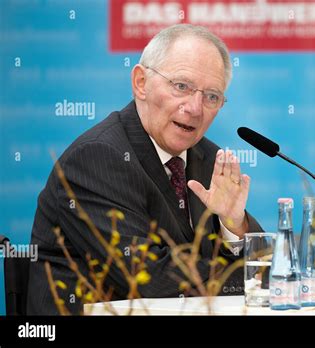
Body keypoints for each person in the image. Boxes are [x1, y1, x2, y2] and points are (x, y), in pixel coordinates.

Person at [28, 24, 263, 315]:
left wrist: (233, 225)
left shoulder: (208, 157)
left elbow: (263, 260)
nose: (195, 108)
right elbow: (151, 278)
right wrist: (251, 278)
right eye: (181, 86)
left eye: (212, 96)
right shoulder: (96, 157)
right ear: (141, 82)